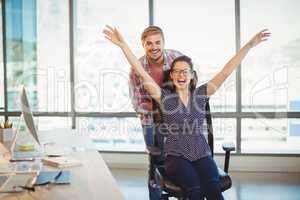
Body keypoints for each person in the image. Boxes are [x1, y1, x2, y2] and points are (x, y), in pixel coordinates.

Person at [103, 25, 270, 200]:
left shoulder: (201, 94)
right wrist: (123, 45)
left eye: (185, 71)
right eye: (176, 72)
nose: (180, 75)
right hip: (176, 157)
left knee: (213, 189)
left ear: (191, 75)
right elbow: (141, 72)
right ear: (172, 76)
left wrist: (249, 45)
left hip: (201, 153)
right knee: (195, 190)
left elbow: (227, 70)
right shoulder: (164, 98)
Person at [128, 26, 182, 200]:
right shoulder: (136, 69)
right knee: (155, 164)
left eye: (158, 42)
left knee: (182, 158)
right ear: (143, 45)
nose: (154, 47)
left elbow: (189, 89)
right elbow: (138, 104)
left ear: (163, 42)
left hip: (178, 119)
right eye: (149, 43)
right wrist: (167, 103)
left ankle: (184, 192)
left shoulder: (176, 58)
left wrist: (159, 103)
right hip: (150, 123)